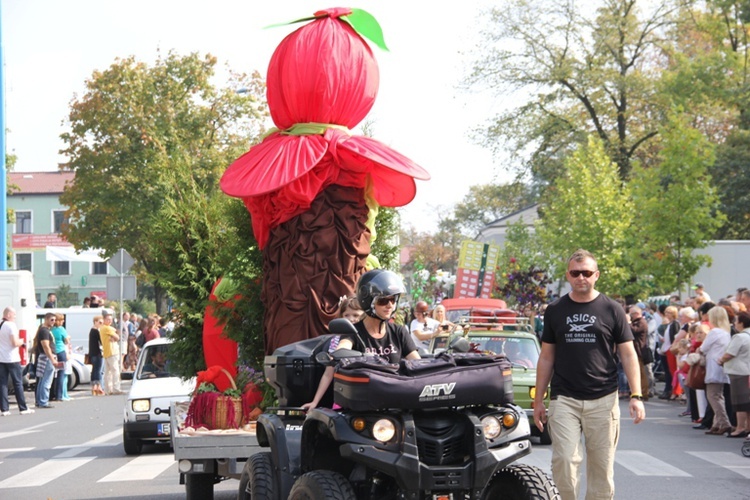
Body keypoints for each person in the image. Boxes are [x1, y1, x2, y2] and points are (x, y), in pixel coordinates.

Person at [533, 249, 644, 500]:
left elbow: (628, 354)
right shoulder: (555, 309)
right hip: (564, 398)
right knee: (564, 460)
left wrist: (636, 395)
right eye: (575, 273)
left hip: (603, 399)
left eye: (586, 273)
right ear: (568, 275)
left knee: (601, 470)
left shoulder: (612, 309)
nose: (580, 277)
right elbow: (546, 357)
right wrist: (539, 400)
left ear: (596, 275)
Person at [302, 269, 420, 410]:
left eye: (393, 300)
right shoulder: (353, 332)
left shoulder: (399, 332)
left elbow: (418, 364)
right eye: (383, 300)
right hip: (362, 404)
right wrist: (315, 403)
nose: (390, 305)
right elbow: (342, 350)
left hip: (395, 400)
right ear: (368, 301)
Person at [699, 306, 732, 435]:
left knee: (713, 396)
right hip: (721, 366)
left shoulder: (714, 332)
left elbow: (703, 348)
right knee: (718, 395)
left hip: (713, 366)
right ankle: (717, 423)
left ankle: (724, 422)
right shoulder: (725, 332)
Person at [717, 311, 750, 437]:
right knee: (747, 402)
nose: (735, 324)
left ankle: (740, 427)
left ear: (741, 323)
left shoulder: (740, 337)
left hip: (738, 372)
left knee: (739, 402)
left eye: (736, 321)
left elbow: (730, 353)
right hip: (747, 371)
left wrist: (721, 360)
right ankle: (747, 427)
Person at [0, 307, 34, 415]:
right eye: (14, 314)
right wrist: (22, 341)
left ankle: (4, 409)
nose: (15, 317)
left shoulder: (1, 324)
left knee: (2, 384)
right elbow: (14, 343)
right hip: (12, 358)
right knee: (18, 383)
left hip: (1, 358)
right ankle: (23, 408)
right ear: (9, 314)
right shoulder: (11, 325)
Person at [34, 313, 59, 408]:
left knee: (42, 380)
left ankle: (40, 401)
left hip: (45, 357)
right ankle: (43, 401)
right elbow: (46, 346)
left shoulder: (44, 330)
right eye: (52, 320)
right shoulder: (44, 331)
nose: (54, 322)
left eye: (54, 320)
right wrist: (52, 359)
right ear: (46, 319)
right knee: (46, 380)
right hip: (47, 357)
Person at [628, 305, 651, 401]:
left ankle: (644, 392)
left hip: (640, 350)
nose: (631, 316)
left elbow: (634, 330)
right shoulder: (637, 322)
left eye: (632, 314)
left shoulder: (641, 322)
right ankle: (640, 391)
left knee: (641, 373)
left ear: (637, 314)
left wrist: (628, 322)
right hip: (636, 350)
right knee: (638, 372)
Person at [100, 312, 122, 395]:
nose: (110, 321)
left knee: (108, 372)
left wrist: (114, 336)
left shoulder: (102, 328)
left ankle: (108, 390)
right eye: (108, 319)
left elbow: (116, 334)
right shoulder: (107, 328)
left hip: (107, 352)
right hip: (112, 351)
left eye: (111, 319)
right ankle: (116, 388)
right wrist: (114, 336)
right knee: (115, 371)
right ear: (104, 320)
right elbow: (117, 336)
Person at [50, 314, 69, 402]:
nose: (63, 321)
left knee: (53, 374)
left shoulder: (51, 329)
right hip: (61, 352)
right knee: (61, 373)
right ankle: (59, 395)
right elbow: (66, 340)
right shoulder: (61, 329)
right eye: (62, 320)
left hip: (53, 352)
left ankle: (51, 394)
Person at [88, 315, 105, 396]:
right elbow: (102, 342)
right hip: (98, 353)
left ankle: (94, 386)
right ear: (95, 322)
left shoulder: (91, 331)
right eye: (100, 322)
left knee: (94, 370)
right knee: (98, 370)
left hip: (92, 353)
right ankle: (98, 387)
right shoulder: (96, 331)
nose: (101, 324)